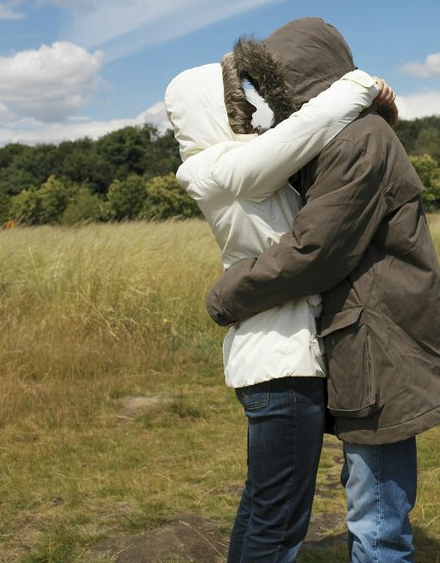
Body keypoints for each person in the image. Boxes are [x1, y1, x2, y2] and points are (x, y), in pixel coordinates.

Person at [206, 17, 440, 563]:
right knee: (371, 504)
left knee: (377, 524)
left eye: (277, 91)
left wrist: (226, 296)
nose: (275, 109)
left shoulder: (357, 139)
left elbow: (313, 252)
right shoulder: (343, 137)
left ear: (300, 84)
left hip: (383, 345)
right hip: (369, 342)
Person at [164, 56, 396, 563]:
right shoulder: (215, 170)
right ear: (212, 110)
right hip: (280, 365)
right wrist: (362, 84)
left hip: (275, 361)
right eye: (237, 103)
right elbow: (304, 130)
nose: (250, 109)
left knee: (263, 506)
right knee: (281, 520)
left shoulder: (237, 168)